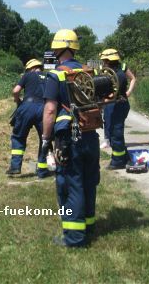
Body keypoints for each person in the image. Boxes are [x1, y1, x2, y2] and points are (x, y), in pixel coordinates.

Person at [41, 29, 100, 247]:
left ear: (59, 49)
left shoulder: (56, 75)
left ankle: (74, 238)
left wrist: (46, 139)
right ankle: (89, 226)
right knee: (88, 182)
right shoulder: (89, 72)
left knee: (71, 184)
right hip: (90, 135)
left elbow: (49, 110)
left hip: (69, 138)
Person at [6, 58, 49, 178]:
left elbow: (16, 91)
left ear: (30, 68)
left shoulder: (27, 75)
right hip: (44, 109)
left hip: (27, 107)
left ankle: (15, 167)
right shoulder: (48, 77)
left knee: (19, 137)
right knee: (44, 139)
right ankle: (42, 170)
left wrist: (17, 100)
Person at [99, 48, 136, 169]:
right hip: (120, 105)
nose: (103, 63)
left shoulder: (118, 75)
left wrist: (102, 101)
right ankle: (124, 157)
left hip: (119, 105)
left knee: (116, 133)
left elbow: (112, 95)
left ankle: (117, 161)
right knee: (114, 131)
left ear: (109, 61)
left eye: (104, 60)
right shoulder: (116, 71)